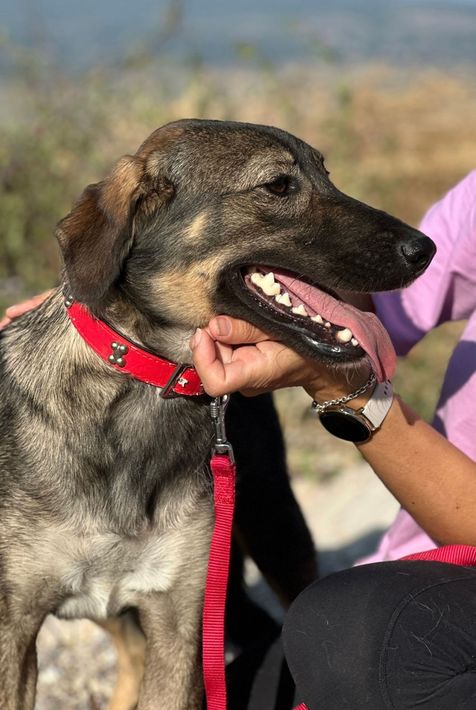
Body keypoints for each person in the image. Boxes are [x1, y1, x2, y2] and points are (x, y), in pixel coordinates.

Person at [189, 170, 476, 709]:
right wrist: (139, 300)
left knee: (344, 626)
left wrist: (348, 393)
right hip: (413, 581)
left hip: (406, 612)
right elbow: (382, 302)